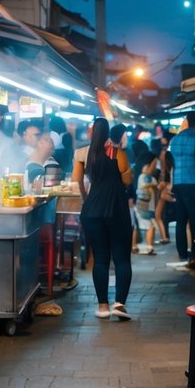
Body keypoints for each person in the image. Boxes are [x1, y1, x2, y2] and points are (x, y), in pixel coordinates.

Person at [71, 117, 134, 320]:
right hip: (116, 209)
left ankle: (103, 306)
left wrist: (86, 199)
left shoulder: (82, 154)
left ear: (92, 132)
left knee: (100, 259)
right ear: (107, 132)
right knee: (122, 257)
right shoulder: (117, 153)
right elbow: (127, 181)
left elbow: (76, 181)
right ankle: (119, 304)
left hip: (91, 210)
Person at [167, 111, 195, 267]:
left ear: (186, 121)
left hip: (178, 182)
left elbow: (170, 160)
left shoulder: (175, 139)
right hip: (193, 182)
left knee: (181, 219)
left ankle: (182, 252)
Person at [134, 156, 161, 254]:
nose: (154, 167)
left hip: (150, 206)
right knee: (150, 226)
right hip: (144, 207)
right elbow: (144, 187)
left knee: (149, 226)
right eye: (153, 165)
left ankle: (149, 246)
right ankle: (148, 247)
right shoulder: (143, 177)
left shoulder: (151, 178)